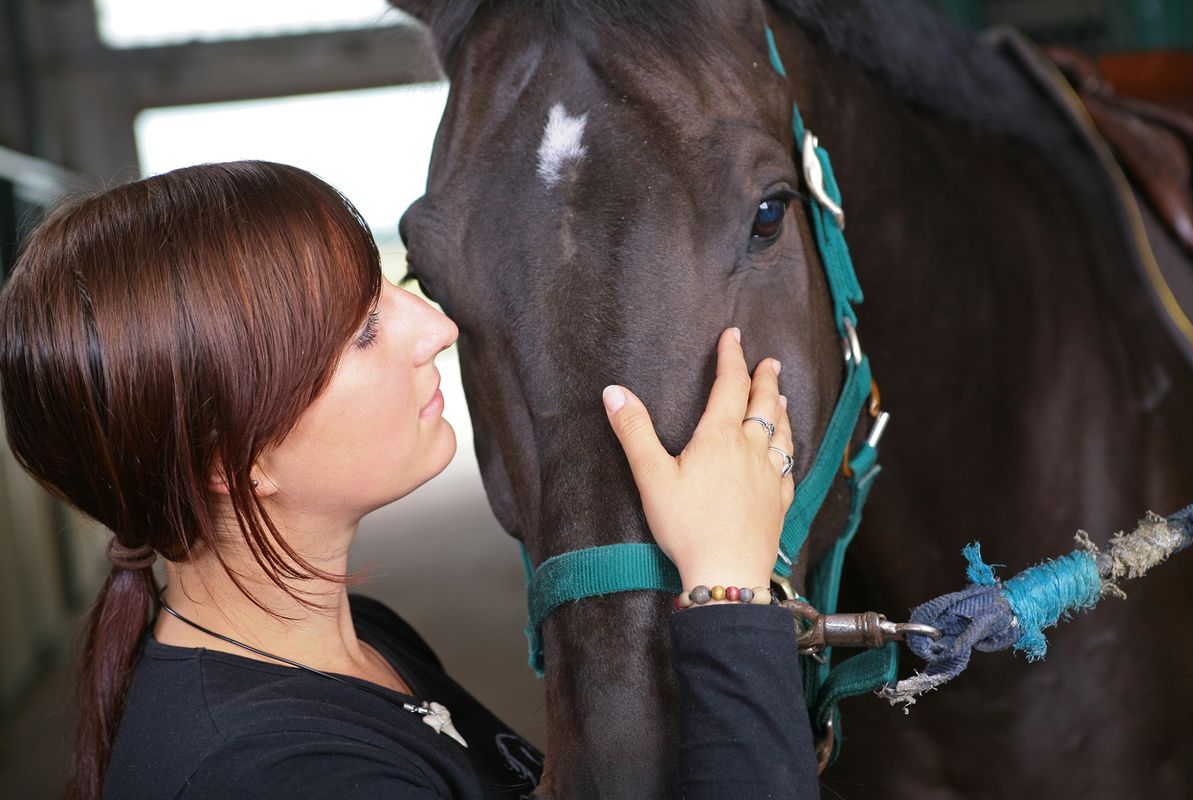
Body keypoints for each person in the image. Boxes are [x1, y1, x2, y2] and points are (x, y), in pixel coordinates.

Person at [0, 161, 817, 799]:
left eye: (396, 289)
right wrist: (727, 592)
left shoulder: (358, 639)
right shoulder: (275, 779)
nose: (435, 327)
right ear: (231, 460)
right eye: (362, 331)